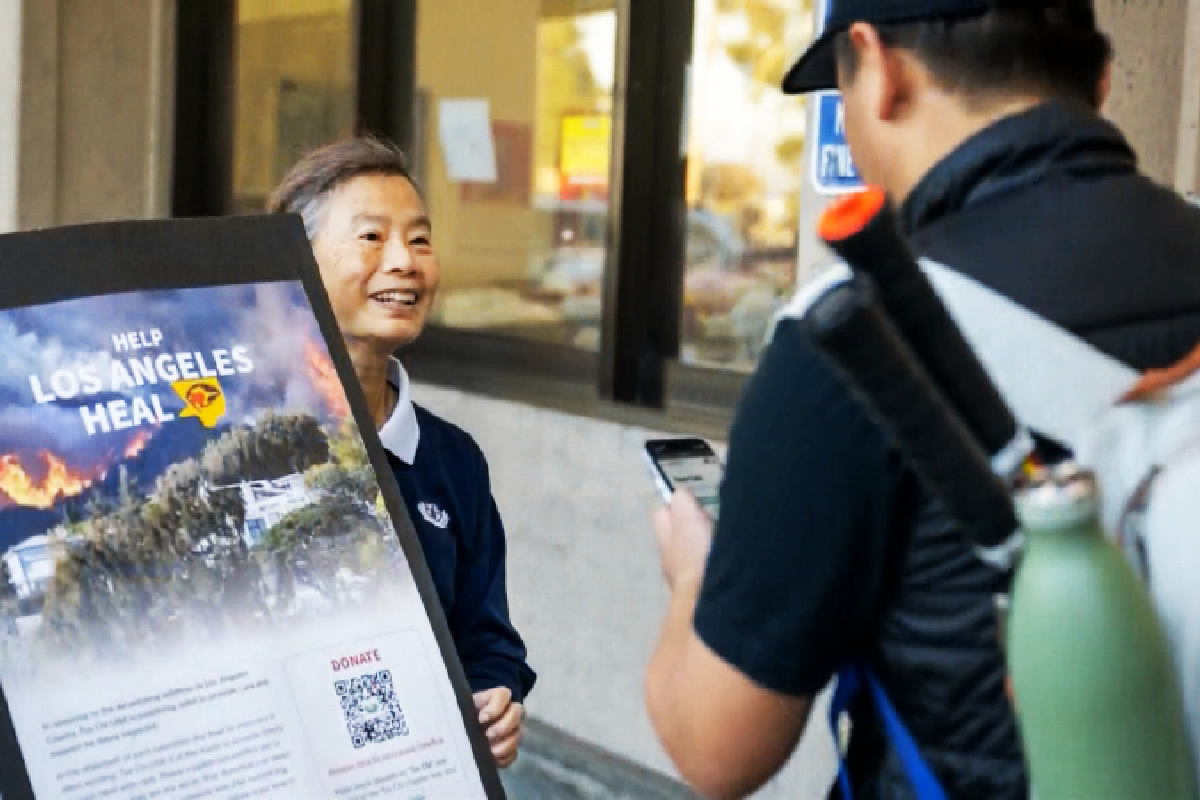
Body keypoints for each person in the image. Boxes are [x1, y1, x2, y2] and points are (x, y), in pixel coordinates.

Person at [645, 0, 1200, 797]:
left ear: (879, 68)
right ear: (1101, 79)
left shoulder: (851, 333)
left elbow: (715, 748)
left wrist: (695, 577)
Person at [269, 136, 535, 768]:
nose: (405, 262)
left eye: (419, 240)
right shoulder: (252, 450)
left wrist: (497, 696)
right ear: (298, 262)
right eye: (371, 238)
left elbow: (486, 636)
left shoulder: (454, 461)